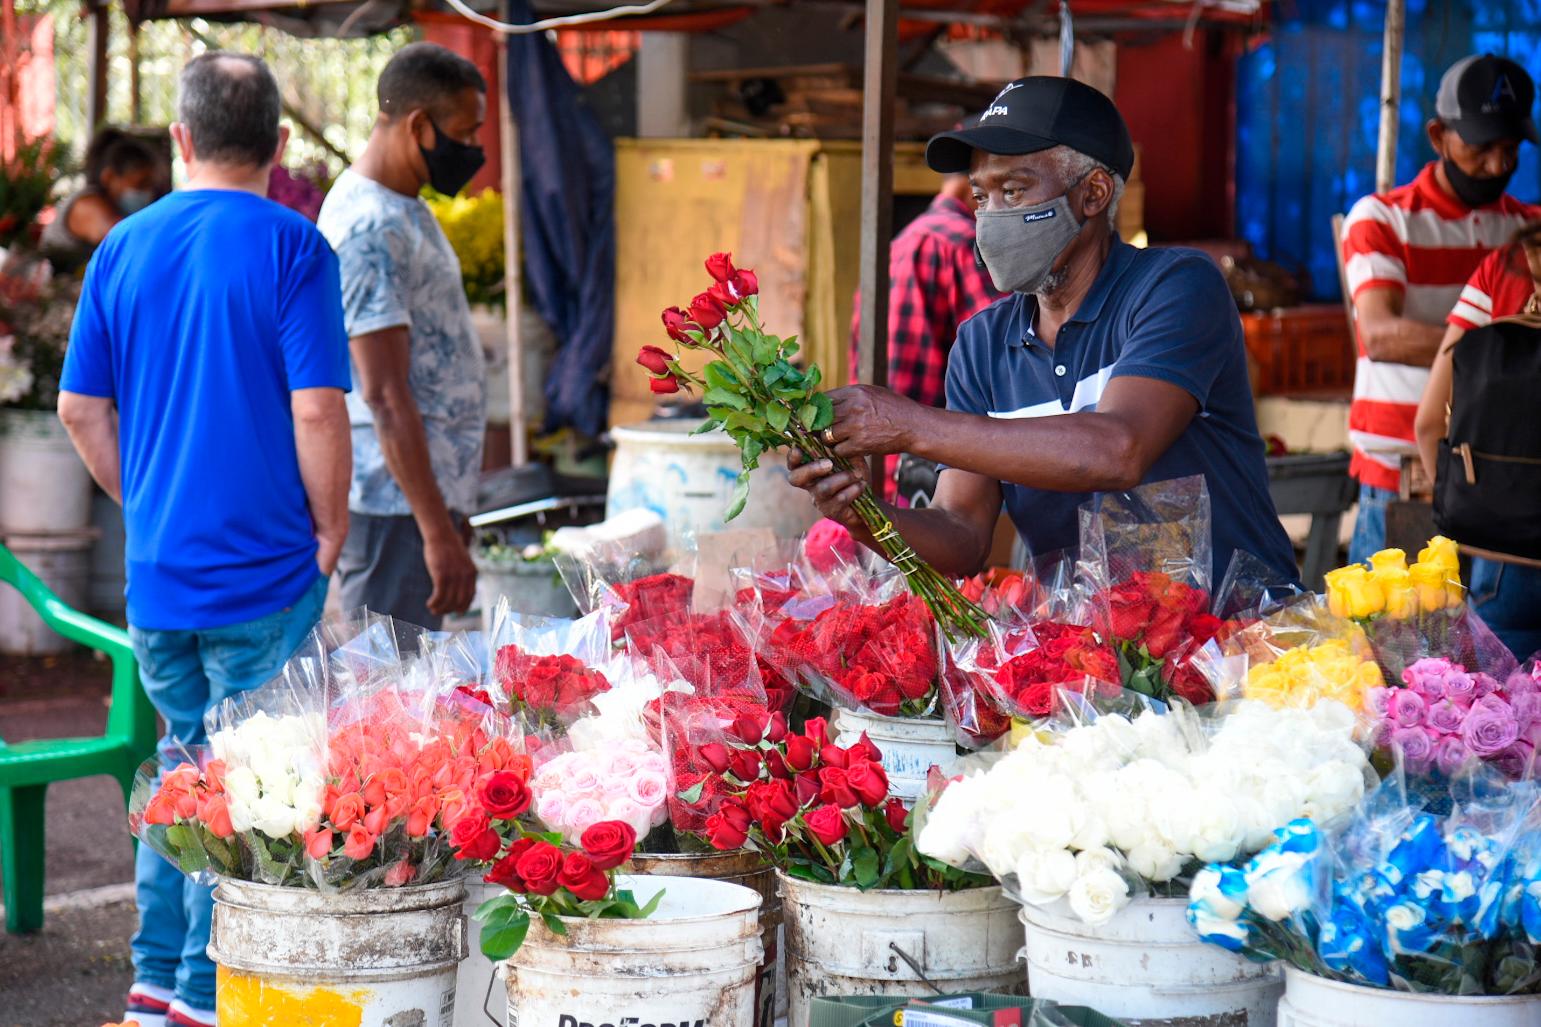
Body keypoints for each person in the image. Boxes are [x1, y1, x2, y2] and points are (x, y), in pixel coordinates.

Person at [55, 53, 351, 1027]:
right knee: (257, 787)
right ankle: (206, 991)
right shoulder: (295, 246)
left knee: (183, 767)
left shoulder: (121, 247)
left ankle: (154, 986)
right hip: (267, 574)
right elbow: (317, 410)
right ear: (280, 144)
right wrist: (332, 524)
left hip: (160, 580)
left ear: (180, 139)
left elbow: (78, 409)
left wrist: (144, 501)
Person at [788, 76, 1299, 588]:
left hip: (1238, 626)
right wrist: (864, 516)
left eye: (1013, 190)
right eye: (981, 196)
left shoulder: (1176, 286)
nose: (990, 217)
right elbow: (962, 536)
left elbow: (1119, 450)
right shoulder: (981, 345)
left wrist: (908, 424)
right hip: (1093, 637)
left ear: (1093, 194)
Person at [1340, 53, 1539, 563]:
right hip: (1404, 481)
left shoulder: (1527, 233)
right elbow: (1380, 335)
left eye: (1510, 149)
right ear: (1438, 136)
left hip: (1508, 486)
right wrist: (1508, 352)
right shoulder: (1383, 220)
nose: (1497, 165)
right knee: (1392, 616)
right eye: (1480, 147)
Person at [317, 42, 488, 630]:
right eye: (464, 134)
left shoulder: (404, 207)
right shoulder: (371, 227)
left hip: (417, 502)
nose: (473, 149)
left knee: (412, 675)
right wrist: (435, 531)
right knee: (387, 679)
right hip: (395, 508)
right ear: (419, 126)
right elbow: (384, 394)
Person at [1415, 221, 1541, 659]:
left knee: (1502, 700)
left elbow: (1428, 423)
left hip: (1506, 558)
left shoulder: (1505, 266)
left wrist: (1466, 513)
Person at [848, 170, 1002, 503]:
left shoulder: (898, 244)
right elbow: (1005, 360)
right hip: (941, 474)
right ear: (969, 187)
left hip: (882, 465)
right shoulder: (964, 242)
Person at [40, 127, 163, 272]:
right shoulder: (87, 205)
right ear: (109, 177)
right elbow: (130, 241)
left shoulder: (116, 207)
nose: (148, 192)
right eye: (141, 184)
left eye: (151, 185)